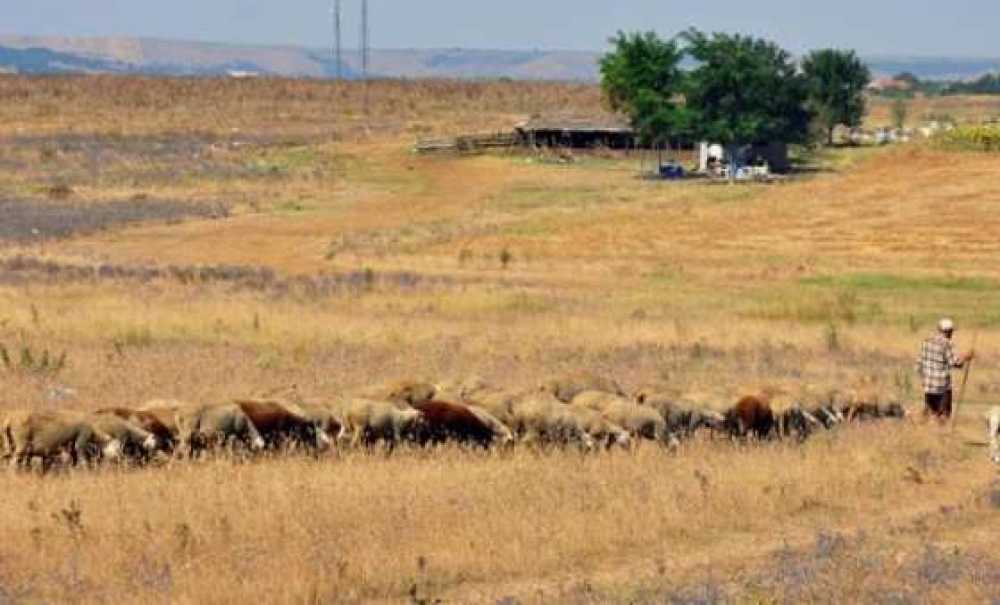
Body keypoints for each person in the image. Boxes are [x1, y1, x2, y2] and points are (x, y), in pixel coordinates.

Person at [916, 318, 974, 422]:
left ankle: (927, 432)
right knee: (944, 415)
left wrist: (924, 377)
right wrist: (966, 357)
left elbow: (919, 362)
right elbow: (955, 363)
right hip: (941, 386)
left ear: (939, 329)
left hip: (928, 385)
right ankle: (941, 434)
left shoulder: (927, 341)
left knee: (930, 412)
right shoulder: (947, 344)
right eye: (951, 331)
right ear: (949, 332)